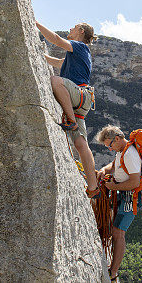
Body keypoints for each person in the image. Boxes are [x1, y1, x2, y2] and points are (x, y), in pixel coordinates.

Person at [36, 20, 99, 198]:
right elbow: (54, 62)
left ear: (80, 30)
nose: (70, 29)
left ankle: (70, 120)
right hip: (81, 100)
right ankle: (93, 187)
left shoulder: (79, 46)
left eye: (73, 27)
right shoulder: (75, 57)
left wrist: (35, 23)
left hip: (78, 95)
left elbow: (56, 39)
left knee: (55, 80)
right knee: (80, 143)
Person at [95, 125, 142, 282]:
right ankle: (112, 269)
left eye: (109, 145)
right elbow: (115, 166)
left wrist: (113, 187)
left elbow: (135, 182)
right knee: (115, 231)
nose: (109, 149)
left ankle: (113, 272)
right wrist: (104, 170)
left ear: (117, 138)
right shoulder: (122, 151)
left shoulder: (130, 154)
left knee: (118, 233)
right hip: (123, 195)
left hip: (130, 198)